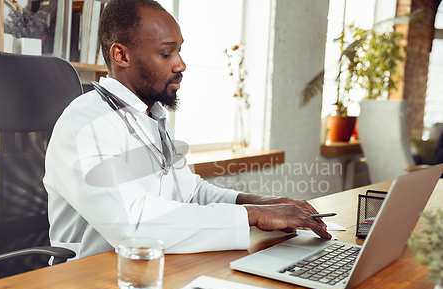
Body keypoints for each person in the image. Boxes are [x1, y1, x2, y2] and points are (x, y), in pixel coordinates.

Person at [43, 0, 330, 260]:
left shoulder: (151, 116)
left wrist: (265, 203)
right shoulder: (87, 123)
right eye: (166, 53)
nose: (181, 64)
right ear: (121, 55)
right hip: (89, 280)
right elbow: (133, 224)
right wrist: (252, 215)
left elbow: (189, 192)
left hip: (155, 265)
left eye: (179, 50)